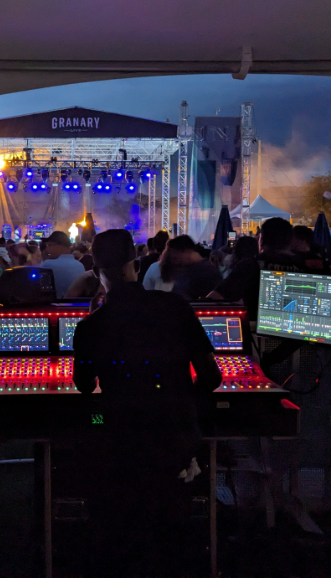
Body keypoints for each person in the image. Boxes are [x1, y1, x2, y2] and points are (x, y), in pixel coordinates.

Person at [71, 229, 221, 574]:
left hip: (119, 443)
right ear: (136, 264)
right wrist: (182, 402)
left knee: (123, 530)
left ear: (95, 269)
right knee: (172, 532)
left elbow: (83, 385)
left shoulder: (91, 326)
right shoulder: (175, 308)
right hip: (175, 440)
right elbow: (212, 377)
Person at [208, 217, 307, 320]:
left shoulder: (249, 266)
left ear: (261, 240)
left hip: (255, 330)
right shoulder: (305, 266)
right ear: (290, 242)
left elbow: (215, 297)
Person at [159, 235, 222, 300]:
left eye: (176, 257)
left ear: (185, 251)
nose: (176, 261)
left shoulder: (201, 271)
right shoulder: (206, 268)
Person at [40, 231, 86, 298]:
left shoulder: (48, 265)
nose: (47, 249)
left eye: (49, 245)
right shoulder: (80, 265)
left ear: (60, 246)